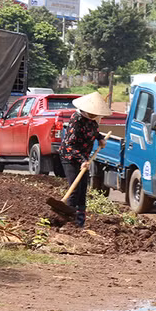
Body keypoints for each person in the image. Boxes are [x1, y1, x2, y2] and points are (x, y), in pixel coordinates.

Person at [58, 92, 110, 227]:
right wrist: (82, 160)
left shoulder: (92, 121)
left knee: (82, 189)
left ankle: (79, 222)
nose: (94, 116)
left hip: (84, 158)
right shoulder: (76, 119)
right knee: (74, 189)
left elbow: (93, 131)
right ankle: (68, 221)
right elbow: (70, 144)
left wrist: (100, 139)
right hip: (70, 157)